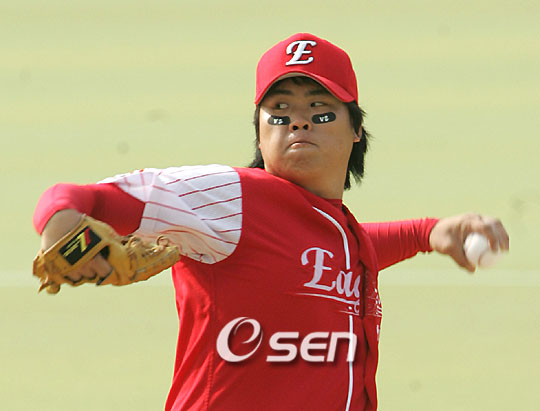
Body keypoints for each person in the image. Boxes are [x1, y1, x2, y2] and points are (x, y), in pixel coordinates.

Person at [33, 33, 509, 410]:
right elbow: (71, 198)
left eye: (319, 110)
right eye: (278, 113)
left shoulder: (337, 232)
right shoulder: (231, 198)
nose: (298, 122)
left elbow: (343, 251)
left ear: (356, 128)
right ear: (259, 137)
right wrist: (63, 228)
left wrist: (427, 233)